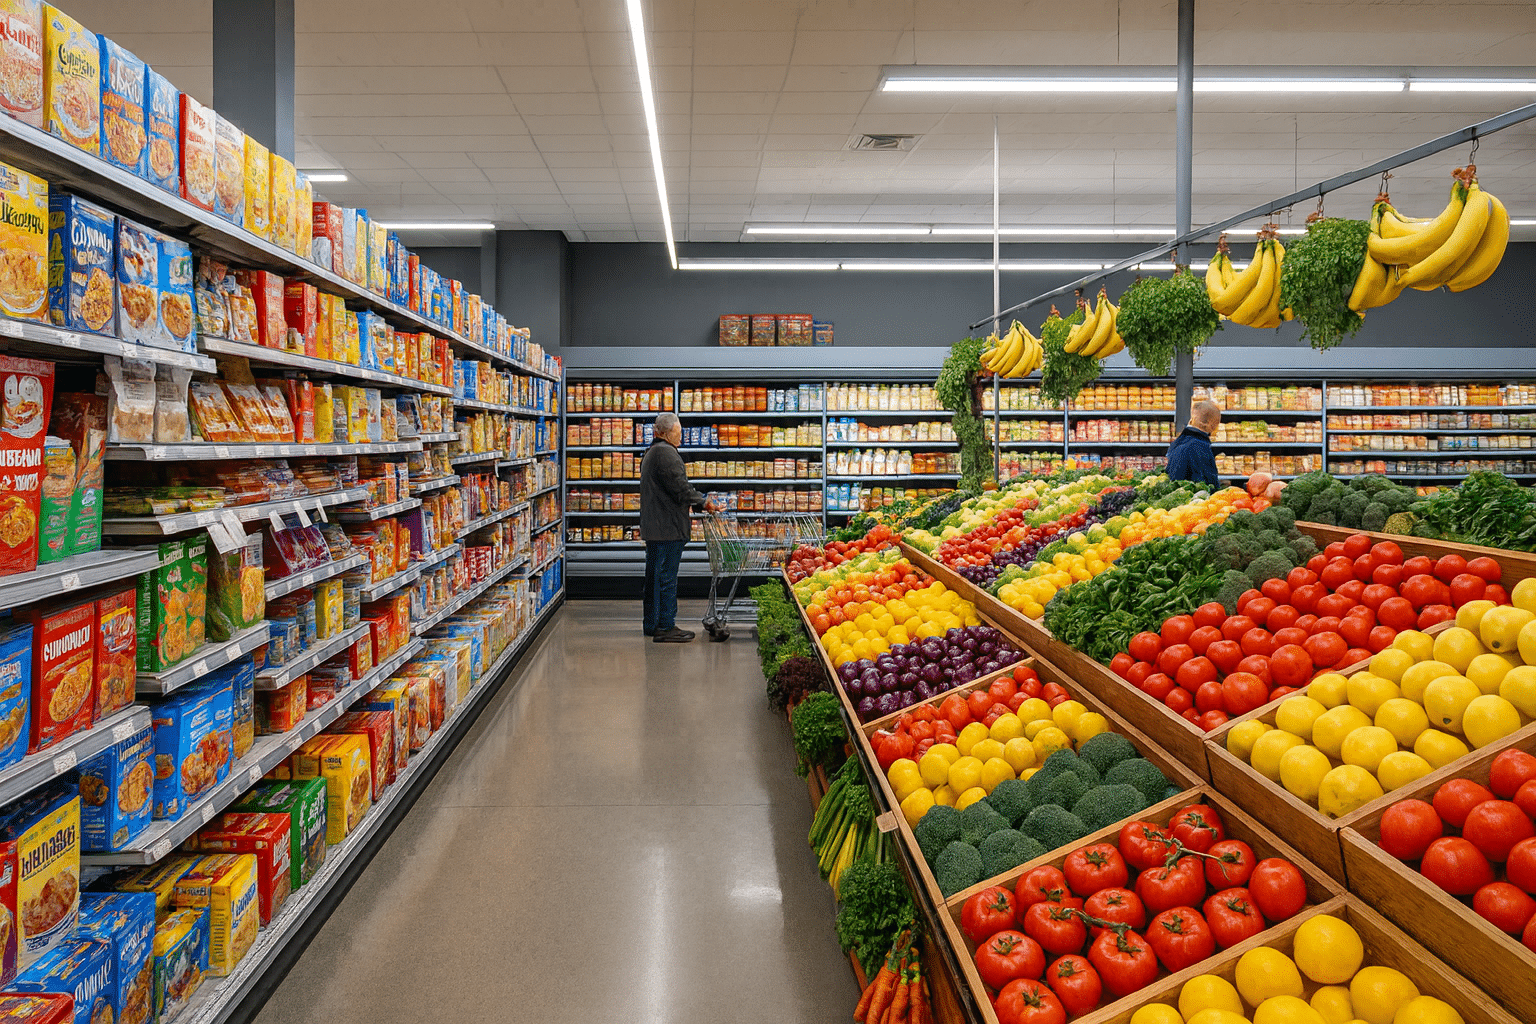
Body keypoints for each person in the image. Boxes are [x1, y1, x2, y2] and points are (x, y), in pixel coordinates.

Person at [640, 412, 718, 642]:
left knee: (654, 577)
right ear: (666, 433)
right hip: (667, 528)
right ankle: (665, 626)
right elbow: (681, 488)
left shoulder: (652, 452)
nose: (681, 436)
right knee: (666, 578)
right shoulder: (666, 453)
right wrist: (704, 502)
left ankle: (652, 624)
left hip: (656, 527)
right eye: (678, 432)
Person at [1166, 399, 1221, 489]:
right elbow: (1210, 484)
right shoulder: (1201, 447)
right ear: (1211, 424)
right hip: (1192, 496)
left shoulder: (1178, 442)